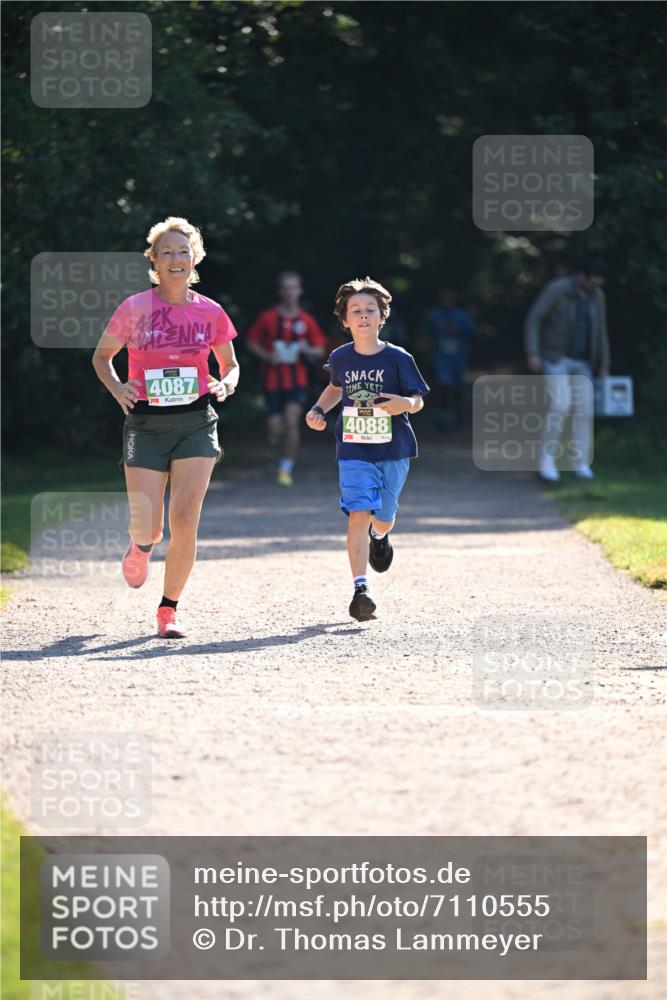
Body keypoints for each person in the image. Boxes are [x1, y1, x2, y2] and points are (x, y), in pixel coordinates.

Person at [92, 216, 239, 638]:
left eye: (183, 251)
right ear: (154, 260)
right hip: (146, 425)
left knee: (187, 520)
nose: (176, 258)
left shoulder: (210, 310)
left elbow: (230, 364)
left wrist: (226, 382)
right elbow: (102, 358)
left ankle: (168, 609)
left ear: (195, 258)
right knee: (150, 527)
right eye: (167, 251)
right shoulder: (135, 307)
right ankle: (140, 546)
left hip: (196, 422)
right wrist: (118, 387)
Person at [305, 277, 429, 622]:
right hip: (353, 448)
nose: (362, 316)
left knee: (384, 517)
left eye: (369, 310)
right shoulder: (340, 357)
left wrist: (405, 402)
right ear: (344, 320)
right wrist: (318, 410)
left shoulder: (398, 358)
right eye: (355, 311)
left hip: (394, 448)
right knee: (359, 511)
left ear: (381, 316)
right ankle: (361, 589)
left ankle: (380, 536)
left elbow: (417, 400)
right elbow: (334, 388)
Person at [524, 256, 610, 482]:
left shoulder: (598, 297)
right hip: (554, 357)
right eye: (593, 282)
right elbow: (533, 319)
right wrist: (533, 352)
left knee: (585, 410)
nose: (595, 287)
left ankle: (580, 463)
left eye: (599, 284)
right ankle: (546, 460)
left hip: (583, 361)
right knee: (561, 405)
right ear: (582, 277)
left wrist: (604, 364)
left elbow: (601, 331)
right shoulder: (557, 290)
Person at [246, 271, 327, 485]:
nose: (291, 292)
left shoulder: (307, 320)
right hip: (271, 380)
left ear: (300, 291)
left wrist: (306, 348)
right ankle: (277, 443)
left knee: (292, 423)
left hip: (297, 380)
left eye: (294, 287)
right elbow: (251, 341)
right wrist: (267, 355)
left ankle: (285, 469)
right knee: (276, 427)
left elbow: (320, 349)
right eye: (286, 288)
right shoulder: (268, 318)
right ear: (280, 291)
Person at [425, 287, 475, 428]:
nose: (446, 301)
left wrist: (458, 331)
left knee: (458, 387)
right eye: (444, 298)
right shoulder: (434, 316)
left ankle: (460, 416)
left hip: (458, 358)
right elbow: (426, 333)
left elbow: (472, 331)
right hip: (441, 358)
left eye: (449, 298)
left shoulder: (461, 316)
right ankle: (443, 416)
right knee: (443, 386)